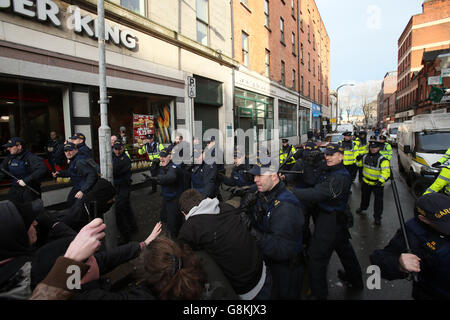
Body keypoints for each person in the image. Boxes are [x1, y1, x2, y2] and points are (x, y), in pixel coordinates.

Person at [292, 144, 363, 300]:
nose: (328, 157)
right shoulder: (329, 169)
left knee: (316, 257)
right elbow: (313, 176)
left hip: (330, 219)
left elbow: (318, 193)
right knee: (345, 250)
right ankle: (355, 279)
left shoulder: (340, 177)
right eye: (327, 154)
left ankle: (319, 293)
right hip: (336, 217)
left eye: (332, 155)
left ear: (341, 156)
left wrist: (291, 192)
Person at [177, 189, 271, 300]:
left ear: (184, 213)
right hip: (262, 269)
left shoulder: (190, 228)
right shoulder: (225, 207)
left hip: (247, 289)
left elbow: (178, 252)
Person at [242, 160, 305, 299]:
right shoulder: (266, 192)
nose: (255, 179)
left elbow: (282, 249)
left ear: (274, 176)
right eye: (254, 176)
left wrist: (252, 232)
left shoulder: (286, 207)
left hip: (286, 270)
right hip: (269, 264)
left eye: (260, 176)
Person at [369, 193, 450, 300]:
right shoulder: (414, 234)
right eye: (446, 223)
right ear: (424, 219)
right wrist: (398, 264)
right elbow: (379, 260)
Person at [149, 149, 185, 238]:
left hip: (175, 199)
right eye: (161, 156)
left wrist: (156, 179)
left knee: (173, 221)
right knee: (164, 218)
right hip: (167, 197)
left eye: (164, 157)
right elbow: (154, 173)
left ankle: (175, 240)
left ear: (170, 157)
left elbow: (170, 177)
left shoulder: (174, 166)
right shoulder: (163, 166)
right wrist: (154, 165)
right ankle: (171, 234)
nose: (162, 159)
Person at [0, 137, 47, 203]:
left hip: (30, 190)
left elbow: (42, 169)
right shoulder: (10, 158)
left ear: (19, 146)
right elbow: (2, 170)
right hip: (15, 190)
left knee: (30, 211)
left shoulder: (31, 157)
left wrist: (26, 180)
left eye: (10, 146)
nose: (8, 149)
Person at [52, 142, 98, 208]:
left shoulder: (79, 161)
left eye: (70, 150)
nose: (68, 153)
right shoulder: (73, 160)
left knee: (78, 208)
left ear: (76, 150)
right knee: (71, 204)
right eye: (66, 151)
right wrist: (59, 173)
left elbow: (92, 175)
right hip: (79, 187)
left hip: (85, 189)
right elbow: (72, 172)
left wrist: (82, 191)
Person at [356, 141, 391, 225]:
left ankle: (377, 217)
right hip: (366, 182)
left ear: (378, 148)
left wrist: (380, 181)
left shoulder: (382, 159)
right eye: (371, 148)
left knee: (378, 202)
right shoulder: (365, 156)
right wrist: (358, 160)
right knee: (364, 197)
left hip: (377, 184)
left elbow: (386, 172)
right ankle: (363, 207)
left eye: (374, 148)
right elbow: (359, 165)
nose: (372, 149)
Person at [112, 140, 137, 243]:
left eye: (119, 149)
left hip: (123, 187)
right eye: (115, 149)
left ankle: (126, 236)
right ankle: (133, 228)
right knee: (126, 209)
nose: (117, 151)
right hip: (118, 188)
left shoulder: (125, 159)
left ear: (123, 148)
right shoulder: (114, 157)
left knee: (119, 211)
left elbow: (115, 171)